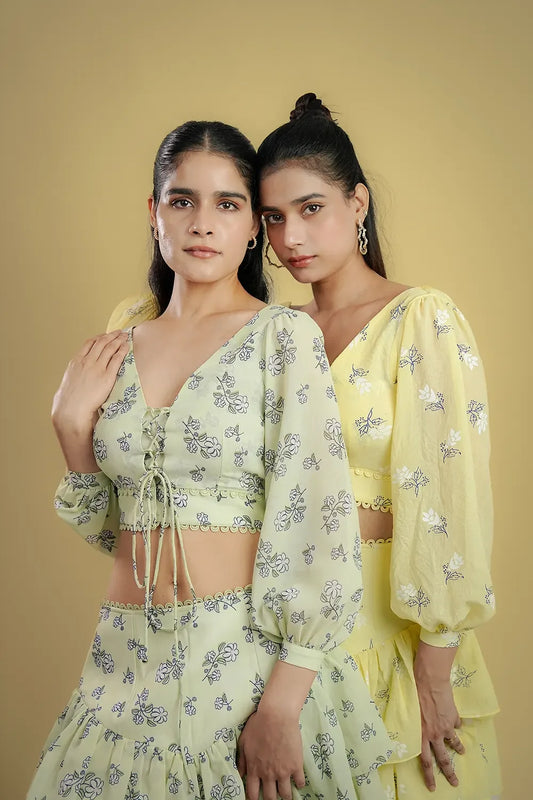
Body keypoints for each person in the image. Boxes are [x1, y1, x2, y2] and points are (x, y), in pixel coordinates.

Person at [27, 119, 392, 800]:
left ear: (253, 225)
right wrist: (72, 431)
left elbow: (317, 514)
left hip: (243, 658)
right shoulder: (118, 347)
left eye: (227, 204)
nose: (202, 224)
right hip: (123, 660)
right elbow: (119, 536)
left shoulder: (279, 337)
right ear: (154, 213)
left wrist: (283, 700)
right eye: (182, 200)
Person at [255, 94, 501, 799]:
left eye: (309, 209)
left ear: (356, 203)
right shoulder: (273, 334)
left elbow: (449, 496)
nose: (289, 237)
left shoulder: (419, 318)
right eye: (272, 218)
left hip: (396, 641)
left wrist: (433, 667)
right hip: (291, 642)